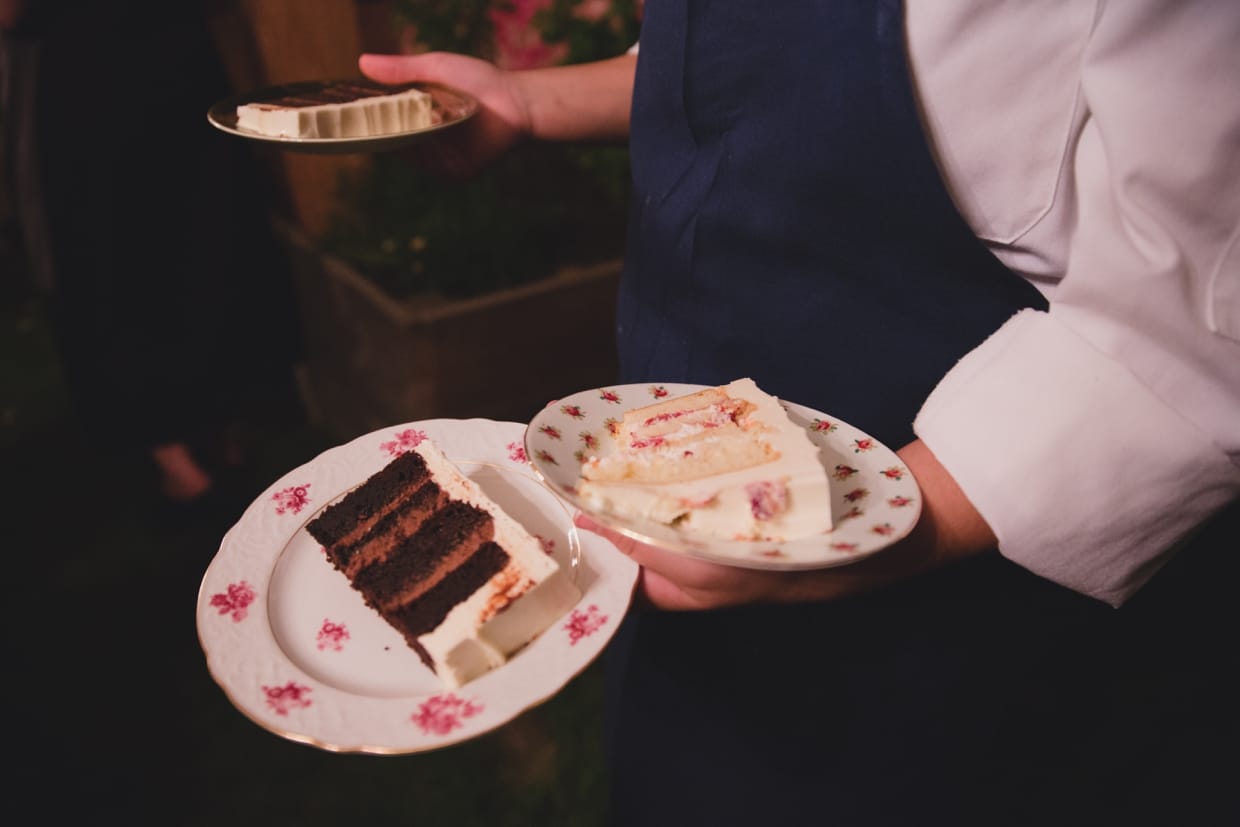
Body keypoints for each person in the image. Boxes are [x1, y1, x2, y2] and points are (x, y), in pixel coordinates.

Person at [358, 2, 1240, 824]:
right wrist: (527, 98)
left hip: (977, 627)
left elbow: (1194, 333)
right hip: (689, 536)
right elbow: (739, 63)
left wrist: (854, 535)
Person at [1, 0, 303, 511]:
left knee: (106, 258)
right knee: (204, 237)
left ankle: (176, 457)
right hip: (178, 59)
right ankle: (220, 430)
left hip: (85, 75)